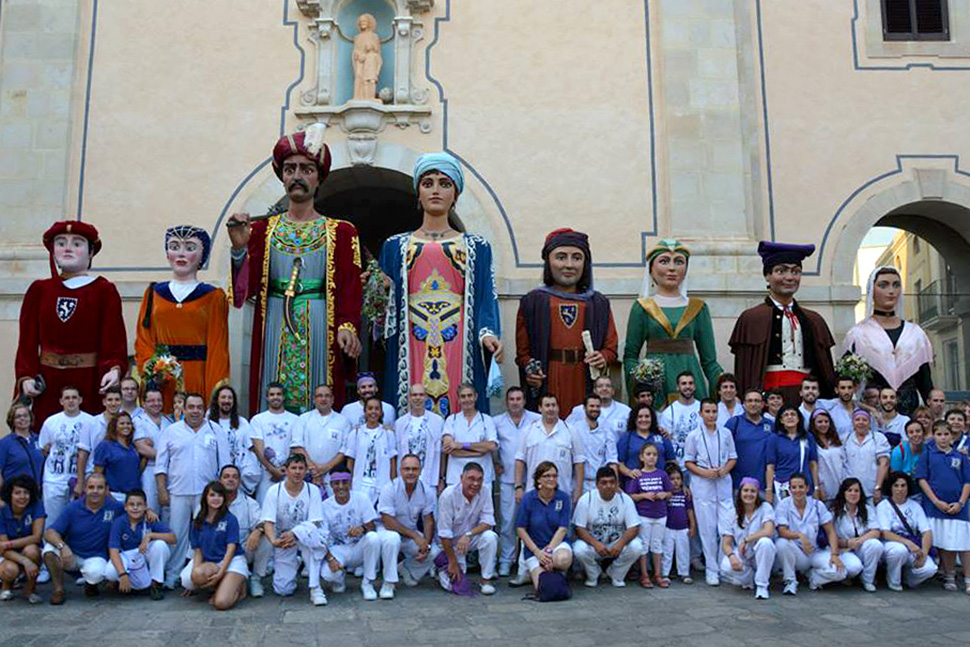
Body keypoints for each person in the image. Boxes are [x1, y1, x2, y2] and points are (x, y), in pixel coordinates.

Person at [228, 125, 362, 414]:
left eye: (306, 169)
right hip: (275, 322)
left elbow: (351, 287)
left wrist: (346, 326)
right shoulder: (261, 231)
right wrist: (239, 249)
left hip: (318, 323)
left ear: (318, 177)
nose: (297, 176)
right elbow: (242, 294)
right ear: (282, 177)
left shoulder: (341, 231)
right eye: (290, 169)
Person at [380, 153, 502, 417]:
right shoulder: (394, 246)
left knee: (459, 397)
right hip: (411, 336)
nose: (436, 190)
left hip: (458, 334)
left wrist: (488, 333)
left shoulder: (476, 247)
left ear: (455, 194)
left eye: (444, 184)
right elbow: (382, 307)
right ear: (418, 193)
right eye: (428, 183)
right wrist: (379, 294)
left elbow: (485, 296)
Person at [15, 220, 127, 425]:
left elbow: (114, 339)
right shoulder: (39, 290)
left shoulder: (104, 291)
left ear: (90, 252)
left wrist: (114, 369)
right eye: (61, 243)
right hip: (47, 384)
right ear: (52, 250)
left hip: (89, 381)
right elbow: (27, 343)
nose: (68, 248)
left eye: (77, 243)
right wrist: (26, 376)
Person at [516, 228, 618, 414]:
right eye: (561, 257)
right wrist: (530, 370)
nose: (569, 265)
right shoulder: (533, 302)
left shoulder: (598, 303)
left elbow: (611, 348)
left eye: (577, 258)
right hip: (550, 375)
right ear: (548, 261)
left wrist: (602, 357)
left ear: (586, 263)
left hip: (583, 377)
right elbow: (523, 352)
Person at [136, 226, 229, 415]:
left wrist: (215, 393)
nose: (181, 253)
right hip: (163, 377)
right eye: (174, 246)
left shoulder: (213, 296)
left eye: (190, 247)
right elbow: (144, 338)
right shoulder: (153, 293)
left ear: (203, 254)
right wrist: (152, 370)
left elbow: (218, 347)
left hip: (197, 373)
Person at [729, 242, 836, 405]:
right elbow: (745, 371)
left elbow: (825, 370)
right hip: (768, 401)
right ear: (767, 275)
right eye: (781, 271)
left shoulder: (815, 320)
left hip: (808, 401)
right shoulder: (751, 319)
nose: (789, 277)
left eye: (796, 271)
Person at [623, 239, 722, 405]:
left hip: (690, 377)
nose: (672, 268)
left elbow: (709, 360)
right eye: (664, 261)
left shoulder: (698, 308)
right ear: (651, 269)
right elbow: (631, 355)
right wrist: (639, 382)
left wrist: (722, 383)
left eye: (678, 262)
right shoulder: (642, 307)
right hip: (656, 382)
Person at [155, 393, 232, 588]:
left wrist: (223, 493)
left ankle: (200, 573)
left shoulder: (215, 431)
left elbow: (225, 465)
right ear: (183, 409)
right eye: (191, 407)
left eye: (199, 407)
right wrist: (162, 490)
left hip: (207, 495)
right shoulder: (171, 431)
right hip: (178, 491)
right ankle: (172, 574)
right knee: (178, 534)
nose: (195, 411)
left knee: (204, 534)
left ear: (204, 409)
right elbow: (161, 464)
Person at [842, 266, 933, 417]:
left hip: (910, 412)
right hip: (872, 410)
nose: (891, 291)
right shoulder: (858, 334)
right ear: (872, 289)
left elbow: (925, 380)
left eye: (896, 285)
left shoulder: (915, 333)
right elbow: (846, 381)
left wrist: (931, 414)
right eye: (883, 285)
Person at [43, 472, 124, 604]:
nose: (95, 492)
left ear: (107, 489)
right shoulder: (73, 508)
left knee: (97, 573)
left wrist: (148, 510)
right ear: (85, 488)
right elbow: (50, 532)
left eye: (100, 487)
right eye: (91, 487)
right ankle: (58, 589)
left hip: (96, 556)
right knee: (48, 551)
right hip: (71, 555)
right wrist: (62, 547)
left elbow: (135, 509)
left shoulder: (115, 507)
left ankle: (91, 584)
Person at [684, 398, 737, 585]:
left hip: (723, 484)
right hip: (703, 486)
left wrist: (724, 470)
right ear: (701, 413)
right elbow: (688, 462)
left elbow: (733, 457)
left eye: (714, 411)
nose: (711, 415)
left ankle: (724, 565)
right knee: (707, 529)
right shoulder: (694, 436)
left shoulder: (726, 434)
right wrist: (705, 472)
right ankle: (711, 569)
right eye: (707, 411)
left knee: (726, 527)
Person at [260, 454, 325, 601]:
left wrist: (295, 535)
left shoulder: (312, 490)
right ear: (286, 470)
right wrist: (274, 541)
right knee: (283, 589)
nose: (297, 472)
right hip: (284, 540)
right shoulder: (274, 491)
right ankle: (296, 562)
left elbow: (315, 522)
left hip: (305, 536)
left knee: (312, 541)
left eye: (301, 468)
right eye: (293, 468)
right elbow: (268, 521)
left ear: (306, 471)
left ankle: (315, 588)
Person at [915, 420, 970, 593]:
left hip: (958, 508)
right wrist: (936, 501)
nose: (943, 438)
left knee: (963, 543)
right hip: (936, 507)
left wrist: (961, 502)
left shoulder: (960, 457)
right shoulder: (928, 455)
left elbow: (967, 482)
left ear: (952, 437)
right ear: (933, 436)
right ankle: (949, 575)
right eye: (939, 434)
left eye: (946, 434)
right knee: (946, 543)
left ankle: (968, 579)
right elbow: (922, 479)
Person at [377, 454, 441, 595]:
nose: (411, 472)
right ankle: (389, 583)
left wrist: (426, 545)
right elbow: (387, 521)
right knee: (392, 539)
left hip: (409, 533)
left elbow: (428, 520)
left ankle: (406, 568)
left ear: (420, 470)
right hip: (385, 531)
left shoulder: (427, 490)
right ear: (400, 470)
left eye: (414, 469)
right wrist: (415, 536)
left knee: (434, 552)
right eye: (407, 469)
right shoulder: (390, 488)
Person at [492, 386, 539, 576]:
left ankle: (530, 560)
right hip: (508, 479)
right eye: (511, 399)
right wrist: (496, 463)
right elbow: (492, 445)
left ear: (524, 401)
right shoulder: (497, 422)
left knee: (533, 522)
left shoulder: (536, 419)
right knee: (508, 522)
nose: (515, 402)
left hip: (533, 480)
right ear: (507, 402)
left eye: (519, 398)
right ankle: (506, 560)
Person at [773, 473, 846, 595]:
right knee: (781, 543)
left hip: (816, 552)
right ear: (789, 489)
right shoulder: (783, 505)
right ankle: (790, 581)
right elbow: (782, 531)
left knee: (840, 572)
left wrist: (834, 554)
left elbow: (830, 531)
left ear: (807, 488)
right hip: (797, 553)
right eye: (794, 487)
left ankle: (813, 577)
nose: (797, 491)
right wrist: (800, 536)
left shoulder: (818, 505)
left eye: (801, 487)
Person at [180, 481, 248, 610]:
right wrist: (195, 578)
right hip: (211, 562)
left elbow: (231, 549)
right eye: (212, 495)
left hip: (232, 560)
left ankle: (239, 587)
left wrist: (221, 573)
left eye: (219, 495)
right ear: (205, 497)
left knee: (221, 603)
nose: (216, 499)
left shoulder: (230, 519)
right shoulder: (197, 522)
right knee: (193, 577)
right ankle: (221, 585)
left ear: (224, 498)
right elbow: (198, 551)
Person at [572, 466, 643, 587]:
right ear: (597, 484)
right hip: (594, 545)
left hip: (617, 544)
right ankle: (593, 574)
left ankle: (616, 574)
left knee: (637, 546)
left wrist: (620, 544)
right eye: (604, 482)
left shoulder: (625, 499)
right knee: (579, 549)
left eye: (612, 482)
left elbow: (634, 527)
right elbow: (579, 528)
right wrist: (595, 544)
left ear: (617, 484)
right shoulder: (586, 499)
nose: (608, 486)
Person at [319, 469, 383, 601]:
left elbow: (372, 527)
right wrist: (330, 559)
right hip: (338, 549)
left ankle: (368, 582)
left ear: (350, 483)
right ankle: (339, 579)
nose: (341, 486)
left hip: (359, 547)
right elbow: (322, 539)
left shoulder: (362, 499)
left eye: (344, 482)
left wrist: (362, 529)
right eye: (336, 483)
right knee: (327, 575)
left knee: (373, 538)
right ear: (331, 485)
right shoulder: (325, 506)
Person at [437, 462, 498, 595]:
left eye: (479, 479)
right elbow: (444, 534)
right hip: (449, 544)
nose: (475, 484)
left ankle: (486, 580)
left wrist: (469, 535)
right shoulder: (448, 495)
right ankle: (441, 565)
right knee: (453, 586)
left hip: (469, 539)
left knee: (490, 537)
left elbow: (488, 522)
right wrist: (452, 562)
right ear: (461, 478)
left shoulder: (485, 491)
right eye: (471, 478)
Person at [514, 394, 585, 508]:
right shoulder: (528, 431)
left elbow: (579, 462)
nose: (551, 409)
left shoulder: (570, 430)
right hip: (534, 491)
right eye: (547, 405)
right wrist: (518, 487)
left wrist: (579, 489)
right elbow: (520, 461)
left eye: (554, 405)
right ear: (540, 408)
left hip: (563, 491)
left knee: (562, 525)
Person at [37, 386, 95, 526]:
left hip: (81, 479)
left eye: (74, 397)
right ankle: (50, 548)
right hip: (54, 480)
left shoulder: (91, 422)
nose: (71, 401)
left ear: (80, 400)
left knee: (77, 523)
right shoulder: (51, 422)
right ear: (61, 401)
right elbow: (44, 449)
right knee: (51, 522)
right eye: (67, 398)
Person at [104, 489, 175, 600]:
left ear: (146, 507)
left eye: (139, 504)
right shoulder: (119, 522)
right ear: (125, 507)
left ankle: (156, 584)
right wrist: (122, 574)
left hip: (143, 555)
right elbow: (113, 551)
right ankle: (124, 584)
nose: (135, 508)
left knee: (160, 545)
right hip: (127, 557)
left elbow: (173, 538)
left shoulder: (150, 519)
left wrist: (150, 536)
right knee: (110, 572)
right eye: (131, 504)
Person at [515, 462, 572, 592]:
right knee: (544, 589)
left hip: (556, 546)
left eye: (554, 476)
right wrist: (537, 552)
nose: (551, 479)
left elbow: (563, 528)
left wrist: (548, 552)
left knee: (563, 560)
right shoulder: (528, 498)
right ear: (538, 479)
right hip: (534, 549)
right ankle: (535, 571)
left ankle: (556, 569)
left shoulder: (563, 498)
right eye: (547, 476)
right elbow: (520, 529)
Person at [877, 471, 938, 590]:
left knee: (930, 569)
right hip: (892, 544)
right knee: (900, 551)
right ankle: (893, 580)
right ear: (890, 487)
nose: (900, 489)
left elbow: (926, 532)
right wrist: (908, 543)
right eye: (896, 486)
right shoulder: (883, 506)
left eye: (903, 485)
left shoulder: (915, 506)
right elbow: (885, 533)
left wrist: (924, 554)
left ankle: (908, 578)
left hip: (913, 546)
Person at [719, 477, 776, 600]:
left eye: (752, 491)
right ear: (740, 492)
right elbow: (726, 543)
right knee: (725, 566)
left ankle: (762, 586)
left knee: (765, 542)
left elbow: (768, 530)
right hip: (744, 555)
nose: (749, 494)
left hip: (761, 556)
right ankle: (749, 579)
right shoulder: (732, 512)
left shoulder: (765, 507)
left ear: (757, 493)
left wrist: (746, 540)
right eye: (745, 490)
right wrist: (732, 557)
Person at [291, 383, 353, 496]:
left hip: (333, 475)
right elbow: (297, 446)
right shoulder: (303, 419)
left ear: (332, 399)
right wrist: (313, 469)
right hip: (308, 474)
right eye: (320, 396)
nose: (323, 399)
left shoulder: (343, 421)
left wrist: (325, 468)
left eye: (327, 396)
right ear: (314, 399)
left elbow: (344, 450)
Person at [625, 444, 672, 588]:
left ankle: (658, 574)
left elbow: (670, 492)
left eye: (654, 454)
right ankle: (644, 574)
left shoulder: (662, 474)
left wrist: (665, 494)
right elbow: (631, 496)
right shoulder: (638, 475)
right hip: (644, 515)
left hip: (660, 514)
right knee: (644, 545)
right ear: (641, 457)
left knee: (657, 544)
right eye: (648, 454)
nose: (652, 457)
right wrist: (644, 495)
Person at [341, 396, 398, 504]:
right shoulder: (356, 434)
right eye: (370, 408)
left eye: (377, 409)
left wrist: (393, 484)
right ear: (365, 411)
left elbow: (392, 461)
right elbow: (350, 462)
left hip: (382, 485)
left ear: (381, 412)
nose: (373, 412)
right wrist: (348, 484)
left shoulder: (388, 434)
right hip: (360, 485)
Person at [830, 477, 884, 592]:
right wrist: (846, 542)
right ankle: (849, 577)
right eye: (849, 490)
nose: (853, 493)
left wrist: (859, 541)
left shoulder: (867, 509)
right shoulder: (834, 511)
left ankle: (867, 580)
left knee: (875, 545)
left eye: (856, 491)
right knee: (854, 567)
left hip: (860, 546)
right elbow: (830, 536)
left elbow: (876, 531)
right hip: (844, 549)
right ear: (843, 493)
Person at [250, 383, 300, 503]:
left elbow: (296, 447)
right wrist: (272, 470)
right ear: (267, 397)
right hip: (266, 475)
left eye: (279, 394)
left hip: (289, 473)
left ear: (284, 397)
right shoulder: (258, 419)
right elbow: (258, 449)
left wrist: (285, 469)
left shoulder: (295, 420)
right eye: (272, 394)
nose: (275, 397)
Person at [209, 385, 261, 497]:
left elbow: (251, 448)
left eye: (230, 398)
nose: (226, 401)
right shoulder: (208, 423)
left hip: (237, 478)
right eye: (223, 397)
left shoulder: (242, 423)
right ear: (217, 400)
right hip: (213, 476)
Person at [442, 383, 498, 486]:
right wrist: (479, 451)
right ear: (458, 400)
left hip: (483, 478)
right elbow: (449, 449)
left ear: (475, 397)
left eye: (469, 395)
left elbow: (491, 446)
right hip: (456, 477)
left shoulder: (487, 420)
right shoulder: (451, 420)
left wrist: (461, 445)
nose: (467, 399)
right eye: (463, 396)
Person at [0, 476, 45, 603]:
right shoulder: (2, 510)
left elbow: (37, 537)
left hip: (28, 548)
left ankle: (30, 589)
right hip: (7, 554)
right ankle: (6, 586)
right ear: (10, 494)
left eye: (26, 493)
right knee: (10, 570)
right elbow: (2, 547)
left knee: (32, 551)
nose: (22, 497)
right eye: (17, 493)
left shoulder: (36, 505)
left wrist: (10, 544)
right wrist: (25, 561)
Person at [765, 405, 819, 502]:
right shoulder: (774, 438)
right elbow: (770, 466)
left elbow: (813, 464)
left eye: (793, 414)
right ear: (781, 420)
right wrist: (769, 489)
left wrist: (816, 487)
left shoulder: (807, 437)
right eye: (786, 415)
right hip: (783, 485)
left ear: (798, 419)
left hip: (804, 485)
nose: (790, 417)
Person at [725, 388, 774, 491]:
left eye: (757, 401)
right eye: (750, 401)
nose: (753, 404)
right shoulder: (734, 423)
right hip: (738, 485)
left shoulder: (770, 425)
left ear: (762, 404)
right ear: (743, 404)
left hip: (764, 485)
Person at [75, 386, 122, 487]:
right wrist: (80, 482)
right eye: (110, 400)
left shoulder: (126, 424)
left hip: (117, 475)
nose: (113, 403)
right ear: (104, 402)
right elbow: (83, 453)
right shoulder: (91, 423)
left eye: (117, 400)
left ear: (121, 401)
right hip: (93, 474)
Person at [617, 403, 674, 485]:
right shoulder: (626, 437)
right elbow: (619, 463)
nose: (644, 419)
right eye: (640, 417)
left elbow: (672, 460)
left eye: (647, 416)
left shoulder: (661, 434)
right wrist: (629, 472)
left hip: (660, 485)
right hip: (635, 485)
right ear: (634, 419)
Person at [572, 394, 619, 494]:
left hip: (601, 484)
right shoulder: (574, 429)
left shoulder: (607, 430)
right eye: (592, 406)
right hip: (578, 483)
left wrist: (615, 486)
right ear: (584, 408)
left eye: (598, 406)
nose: (595, 409)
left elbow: (612, 460)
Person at [133, 386, 170, 511]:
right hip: (149, 470)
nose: (156, 404)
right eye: (151, 401)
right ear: (143, 403)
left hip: (169, 471)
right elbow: (142, 448)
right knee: (150, 509)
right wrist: (168, 456)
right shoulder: (138, 421)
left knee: (168, 511)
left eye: (159, 400)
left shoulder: (168, 421)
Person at [843, 409, 891, 503]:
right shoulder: (845, 439)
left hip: (872, 491)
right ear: (853, 423)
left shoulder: (878, 438)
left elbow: (884, 463)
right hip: (851, 492)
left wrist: (878, 487)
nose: (861, 422)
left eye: (864, 420)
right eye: (857, 420)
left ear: (869, 423)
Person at [658, 371, 702, 469]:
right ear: (678, 387)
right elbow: (666, 441)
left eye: (690, 383)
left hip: (700, 465)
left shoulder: (702, 409)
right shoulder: (669, 412)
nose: (687, 386)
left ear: (694, 386)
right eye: (684, 383)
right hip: (678, 467)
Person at [94, 411, 142, 501]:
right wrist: (106, 493)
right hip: (114, 495)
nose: (126, 426)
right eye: (122, 423)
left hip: (133, 496)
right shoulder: (105, 445)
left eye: (128, 423)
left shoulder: (133, 447)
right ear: (114, 426)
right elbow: (97, 474)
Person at [567, 376, 632, 442]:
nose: (604, 389)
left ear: (613, 391)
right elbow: (567, 430)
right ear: (594, 391)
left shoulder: (625, 411)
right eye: (600, 386)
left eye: (608, 386)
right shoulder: (580, 410)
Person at [662, 462, 695, 584]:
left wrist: (692, 526)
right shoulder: (666, 495)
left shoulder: (685, 494)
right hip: (668, 527)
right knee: (667, 551)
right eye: (672, 479)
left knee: (683, 551)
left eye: (678, 479)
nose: (675, 482)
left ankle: (684, 573)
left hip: (683, 528)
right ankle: (664, 573)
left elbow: (689, 510)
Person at [0, 403, 44, 492]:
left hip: (36, 493)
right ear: (12, 420)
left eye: (25, 416)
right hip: (14, 494)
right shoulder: (5, 443)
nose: (22, 418)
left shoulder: (39, 439)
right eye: (18, 416)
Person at [811, 409, 845, 503]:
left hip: (841, 486)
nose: (823, 424)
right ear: (813, 424)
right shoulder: (811, 443)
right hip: (825, 488)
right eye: (820, 422)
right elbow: (813, 466)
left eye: (826, 421)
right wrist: (818, 486)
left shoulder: (836, 440)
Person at [817, 376, 859, 441]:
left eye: (849, 388)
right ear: (836, 390)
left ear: (854, 389)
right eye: (843, 388)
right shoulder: (829, 406)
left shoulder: (860, 409)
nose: (846, 392)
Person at [352, 13, 382, 99]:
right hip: (360, 62)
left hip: (370, 60)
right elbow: (355, 50)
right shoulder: (357, 37)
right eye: (361, 21)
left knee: (370, 79)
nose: (362, 23)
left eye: (364, 21)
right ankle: (358, 97)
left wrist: (370, 49)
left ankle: (370, 97)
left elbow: (377, 51)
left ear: (369, 23)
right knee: (359, 76)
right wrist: (358, 55)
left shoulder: (374, 36)